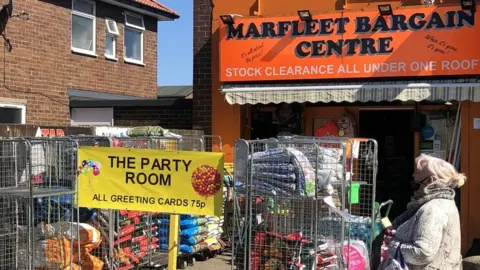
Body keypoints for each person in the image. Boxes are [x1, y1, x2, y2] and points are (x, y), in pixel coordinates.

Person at [384, 154, 465, 270]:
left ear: (430, 180)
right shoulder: (445, 202)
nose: (413, 188)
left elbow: (423, 253)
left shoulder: (433, 209)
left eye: (415, 184)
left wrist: (392, 247)